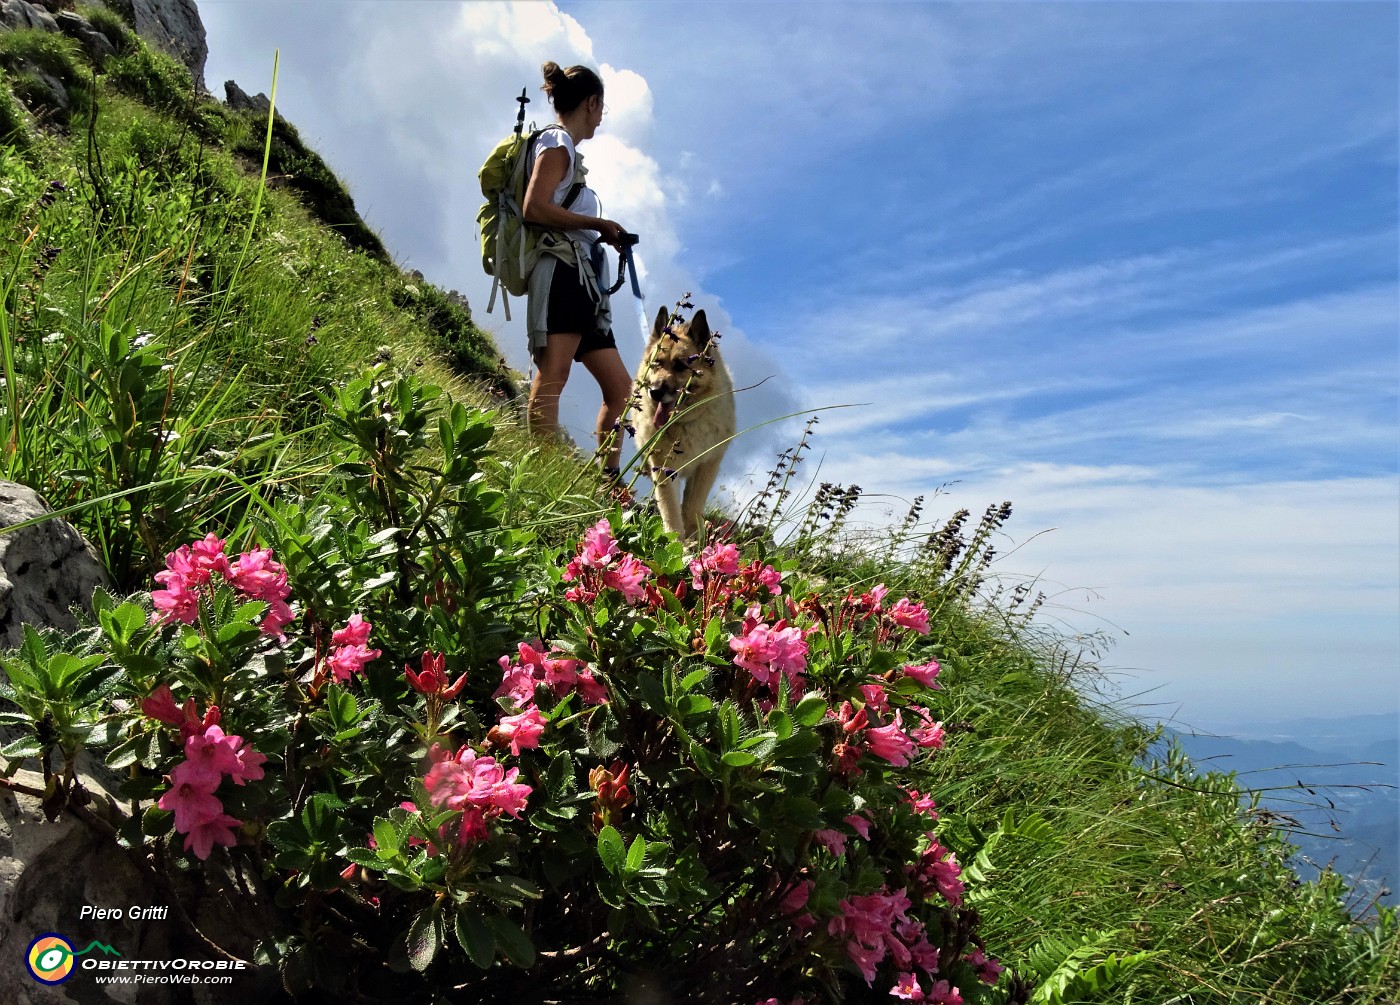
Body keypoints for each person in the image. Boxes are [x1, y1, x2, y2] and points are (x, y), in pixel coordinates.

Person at [521, 61, 632, 483]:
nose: (601, 117)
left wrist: (600, 234)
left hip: (582, 279)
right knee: (555, 374)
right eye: (601, 108)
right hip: (563, 274)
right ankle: (542, 476)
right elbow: (535, 206)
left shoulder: (564, 147)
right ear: (592, 102)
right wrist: (598, 224)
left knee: (622, 389)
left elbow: (555, 209)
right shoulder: (557, 142)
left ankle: (609, 481)